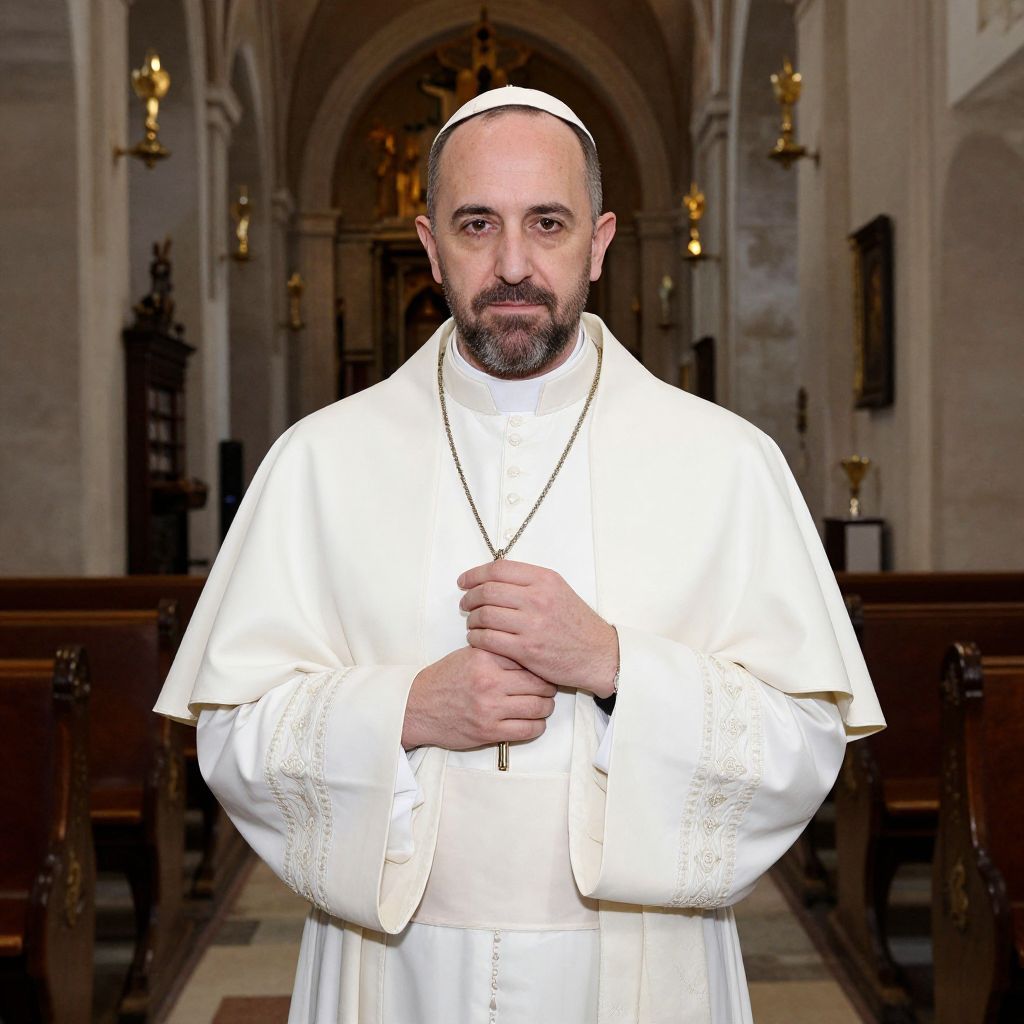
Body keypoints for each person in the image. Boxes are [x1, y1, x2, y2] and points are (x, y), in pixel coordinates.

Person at [155, 86, 884, 1024]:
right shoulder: (320, 462)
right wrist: (403, 711)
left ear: (601, 240)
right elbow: (231, 729)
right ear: (429, 246)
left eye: (547, 223)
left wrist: (617, 668)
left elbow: (805, 736)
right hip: (395, 969)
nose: (512, 265)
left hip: (640, 970)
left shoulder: (726, 463)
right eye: (475, 225)